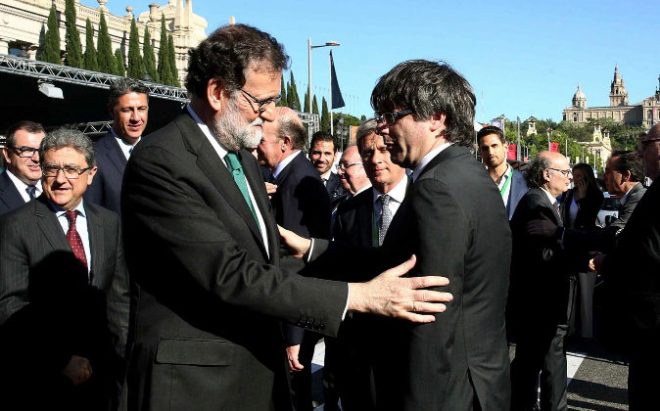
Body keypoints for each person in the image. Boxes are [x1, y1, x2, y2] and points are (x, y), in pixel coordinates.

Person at [121, 24, 452, 411]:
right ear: (217, 92)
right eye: (260, 102)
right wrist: (357, 296)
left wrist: (319, 254)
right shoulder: (162, 161)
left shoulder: (240, 157)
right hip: (196, 386)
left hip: (253, 373)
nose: (268, 115)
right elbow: (230, 274)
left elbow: (266, 262)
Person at [285, 59, 512, 410]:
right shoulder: (467, 174)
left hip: (444, 393)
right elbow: (396, 263)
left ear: (436, 118)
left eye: (393, 116)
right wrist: (311, 248)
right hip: (475, 383)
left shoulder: (436, 187)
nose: (383, 128)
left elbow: (429, 313)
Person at [0, 128, 130, 410]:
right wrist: (59, 360)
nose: (60, 179)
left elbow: (119, 299)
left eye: (71, 169)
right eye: (52, 169)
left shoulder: (109, 223)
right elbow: (10, 307)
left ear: (91, 174)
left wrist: (124, 359)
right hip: (44, 381)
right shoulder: (15, 226)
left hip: (104, 379)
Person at [329, 118, 409, 411]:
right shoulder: (348, 211)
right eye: (367, 153)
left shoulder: (426, 202)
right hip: (361, 353)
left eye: (383, 150)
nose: (375, 160)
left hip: (412, 348)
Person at [256, 106, 332, 411]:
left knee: (293, 396)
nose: (257, 144)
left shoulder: (297, 182)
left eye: (263, 139)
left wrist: (294, 335)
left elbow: (297, 264)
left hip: (293, 319)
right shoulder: (288, 177)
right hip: (288, 314)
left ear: (285, 143)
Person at [591, 124, 660, 410]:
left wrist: (608, 262)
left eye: (646, 144)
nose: (640, 152)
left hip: (652, 322)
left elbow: (644, 252)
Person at [509, 151, 574, 411]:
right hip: (542, 302)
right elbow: (544, 255)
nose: (569, 177)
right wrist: (582, 259)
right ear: (547, 175)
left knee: (530, 361)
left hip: (537, 302)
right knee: (547, 361)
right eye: (565, 172)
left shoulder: (542, 200)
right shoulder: (537, 203)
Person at [85, 78, 149, 214]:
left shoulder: (157, 152)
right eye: (127, 110)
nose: (136, 118)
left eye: (141, 109)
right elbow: (92, 214)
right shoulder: (95, 156)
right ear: (111, 111)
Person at [477, 125, 528, 219]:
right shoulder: (475, 183)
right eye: (485, 148)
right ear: (480, 152)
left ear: (505, 147)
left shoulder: (526, 183)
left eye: (494, 146)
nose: (490, 152)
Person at [0, 121, 45, 215]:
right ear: (7, 155)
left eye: (42, 150)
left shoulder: (58, 188)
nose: (37, 158)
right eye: (27, 150)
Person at [309, 131, 346, 207]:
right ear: (310, 153)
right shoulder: (295, 183)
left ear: (335, 155)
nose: (321, 159)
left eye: (327, 153)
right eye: (317, 153)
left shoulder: (343, 187)